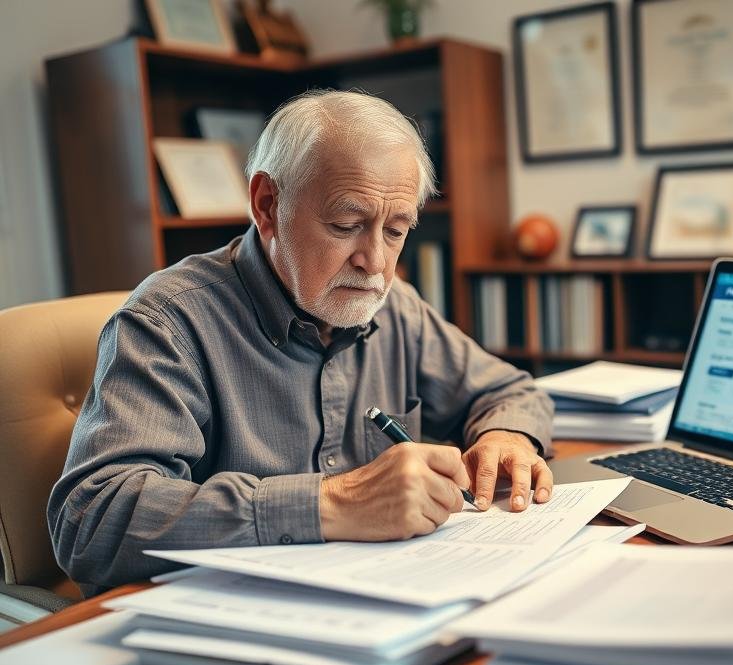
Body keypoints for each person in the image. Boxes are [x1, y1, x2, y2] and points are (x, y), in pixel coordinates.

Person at [48, 90, 554, 596]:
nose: (375, 262)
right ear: (268, 204)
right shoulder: (168, 322)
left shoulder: (395, 305)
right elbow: (92, 520)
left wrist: (505, 439)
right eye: (346, 225)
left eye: (396, 231)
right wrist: (333, 503)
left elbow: (511, 391)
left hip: (385, 599)